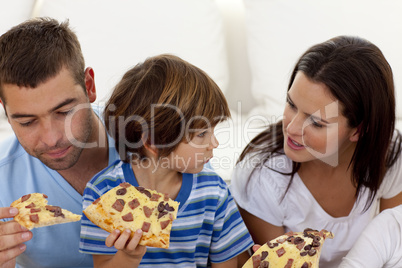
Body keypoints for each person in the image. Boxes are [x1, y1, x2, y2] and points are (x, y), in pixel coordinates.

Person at [229, 35, 402, 267]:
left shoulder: (388, 153)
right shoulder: (261, 177)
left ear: (360, 130)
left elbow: (394, 245)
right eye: (291, 104)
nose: (291, 128)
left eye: (317, 123)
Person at [79, 54, 254, 267]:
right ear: (153, 142)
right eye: (201, 134)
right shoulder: (103, 193)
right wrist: (129, 257)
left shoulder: (214, 192)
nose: (214, 143)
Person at [0, 18, 119, 267]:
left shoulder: (157, 145)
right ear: (5, 111)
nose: (52, 138)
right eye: (27, 122)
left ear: (89, 86)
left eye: (64, 112)